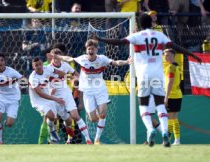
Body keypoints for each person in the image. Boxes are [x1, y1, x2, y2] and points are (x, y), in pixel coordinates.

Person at [93, 14, 201, 147]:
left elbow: (119, 41)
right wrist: (193, 55)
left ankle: (150, 129)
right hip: (158, 75)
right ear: (151, 23)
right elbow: (176, 47)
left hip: (143, 75)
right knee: (160, 105)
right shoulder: (159, 35)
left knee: (143, 106)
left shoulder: (137, 36)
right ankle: (165, 131)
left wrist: (100, 38)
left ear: (139, 24)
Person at [50, 39, 131, 144]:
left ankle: (97, 139)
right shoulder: (82, 59)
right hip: (87, 90)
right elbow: (69, 59)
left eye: (92, 49)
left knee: (103, 113)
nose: (90, 51)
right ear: (86, 50)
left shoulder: (102, 59)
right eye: (88, 49)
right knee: (93, 119)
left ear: (96, 49)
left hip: (100, 88)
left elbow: (115, 62)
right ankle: (99, 119)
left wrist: (126, 62)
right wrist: (58, 56)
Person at [49, 48, 92, 144]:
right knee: (54, 118)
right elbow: (43, 82)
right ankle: (53, 140)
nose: (56, 59)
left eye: (58, 56)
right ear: (51, 57)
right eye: (54, 57)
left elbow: (76, 75)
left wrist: (75, 80)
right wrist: (50, 90)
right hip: (54, 96)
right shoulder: (47, 68)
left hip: (66, 93)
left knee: (75, 116)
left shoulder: (65, 65)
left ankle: (88, 139)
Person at [29, 57, 74, 144]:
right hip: (38, 100)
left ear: (42, 64)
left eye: (40, 64)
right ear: (33, 66)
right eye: (36, 65)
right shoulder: (33, 78)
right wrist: (56, 99)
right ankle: (51, 134)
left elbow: (58, 72)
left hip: (49, 97)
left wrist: (69, 77)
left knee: (56, 118)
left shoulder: (47, 69)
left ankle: (64, 136)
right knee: (50, 115)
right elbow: (40, 94)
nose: (39, 66)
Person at [0, 53, 24, 144]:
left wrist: (21, 83)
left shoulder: (11, 71)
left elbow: (22, 78)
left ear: (5, 62)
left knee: (10, 124)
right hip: (1, 97)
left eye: (2, 60)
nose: (0, 62)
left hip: (13, 98)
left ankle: (4, 125)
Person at [163, 49, 183, 145]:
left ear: (172, 56)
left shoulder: (171, 67)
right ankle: (177, 140)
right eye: (165, 55)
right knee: (174, 118)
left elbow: (170, 82)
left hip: (172, 95)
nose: (165, 57)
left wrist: (166, 97)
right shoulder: (177, 66)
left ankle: (167, 140)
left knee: (170, 119)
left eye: (167, 55)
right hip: (178, 95)